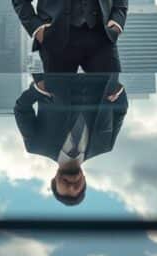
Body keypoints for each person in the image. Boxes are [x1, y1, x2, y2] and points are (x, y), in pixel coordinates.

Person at [13, 73, 128, 206]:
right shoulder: (105, 145)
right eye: (77, 189)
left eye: (66, 188)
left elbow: (21, 110)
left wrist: (36, 90)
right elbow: (120, 111)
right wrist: (119, 92)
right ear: (84, 180)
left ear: (53, 181)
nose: (72, 187)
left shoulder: (36, 145)